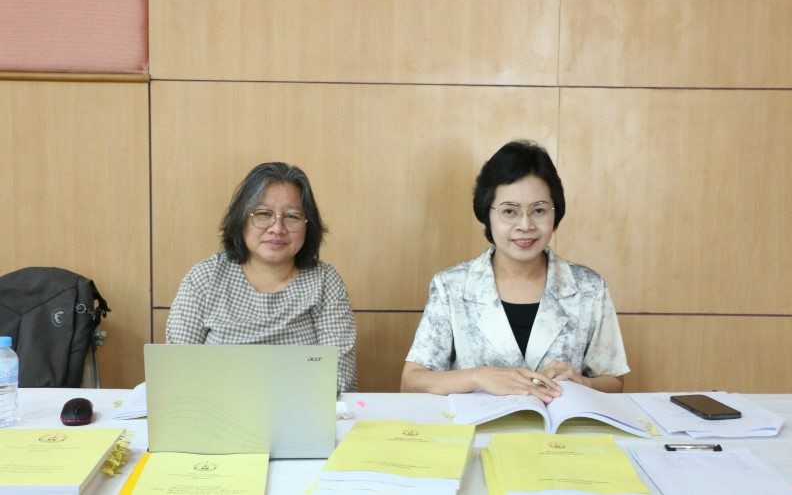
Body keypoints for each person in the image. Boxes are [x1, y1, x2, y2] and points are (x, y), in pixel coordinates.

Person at [401, 140, 628, 402]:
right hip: (478, 427)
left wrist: (582, 381)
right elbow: (411, 381)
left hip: (558, 428)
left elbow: (613, 380)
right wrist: (478, 376)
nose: (525, 225)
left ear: (555, 213)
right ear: (487, 213)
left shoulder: (589, 287)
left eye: (539, 210)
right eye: (509, 211)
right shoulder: (451, 286)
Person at [167, 162, 358, 393]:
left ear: (308, 225)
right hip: (217, 410)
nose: (277, 228)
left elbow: (339, 377)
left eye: (292, 216)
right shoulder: (205, 278)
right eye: (264, 214)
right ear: (241, 219)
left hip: (299, 410)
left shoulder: (325, 282)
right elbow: (177, 371)